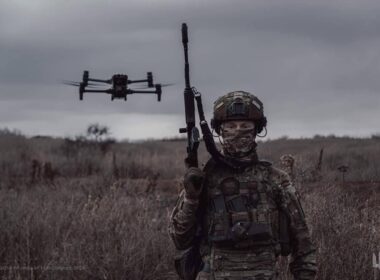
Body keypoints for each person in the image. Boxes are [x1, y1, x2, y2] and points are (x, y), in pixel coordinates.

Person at [169, 91, 317, 280]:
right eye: (230, 125)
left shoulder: (275, 180)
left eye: (245, 125)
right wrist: (191, 198)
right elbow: (180, 239)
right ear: (219, 129)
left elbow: (303, 244)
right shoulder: (203, 180)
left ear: (256, 129)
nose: (238, 130)